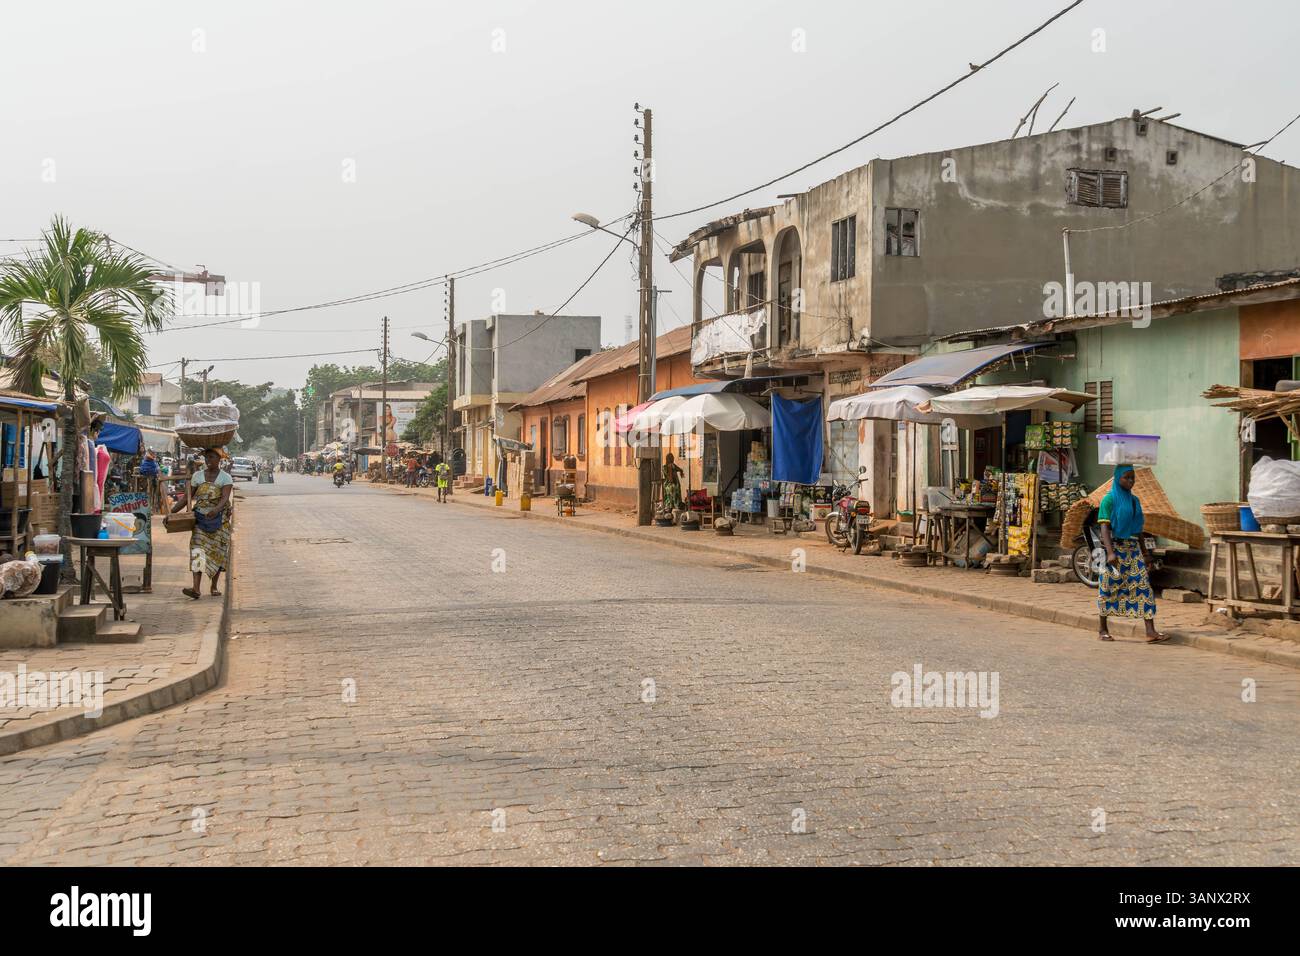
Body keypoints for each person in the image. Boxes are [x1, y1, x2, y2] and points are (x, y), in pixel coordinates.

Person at [1097, 464, 1167, 643]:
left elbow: (1138, 530)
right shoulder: (1109, 500)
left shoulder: (1135, 501)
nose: (1130, 481)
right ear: (1117, 478)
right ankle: (1102, 629)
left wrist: (1145, 553)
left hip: (1132, 550)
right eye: (1126, 477)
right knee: (1108, 587)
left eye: (1132, 478)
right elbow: (1104, 527)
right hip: (1114, 549)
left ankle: (1150, 631)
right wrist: (1110, 553)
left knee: (1143, 587)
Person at [177, 448, 233, 600]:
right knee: (197, 552)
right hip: (200, 520)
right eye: (206, 457)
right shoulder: (197, 476)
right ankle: (196, 588)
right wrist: (172, 513)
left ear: (219, 459)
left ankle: (214, 586)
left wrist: (216, 510)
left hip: (219, 521)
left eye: (211, 457)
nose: (208, 460)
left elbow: (225, 498)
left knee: (217, 553)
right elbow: (186, 498)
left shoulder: (225, 478)